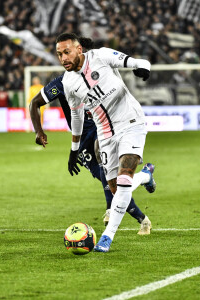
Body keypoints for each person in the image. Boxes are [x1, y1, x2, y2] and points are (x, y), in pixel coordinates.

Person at [29, 38, 152, 236]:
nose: (63, 58)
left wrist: (139, 66)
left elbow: (125, 63)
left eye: (67, 53)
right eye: (60, 54)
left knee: (109, 173)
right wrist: (41, 132)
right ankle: (142, 212)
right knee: (109, 182)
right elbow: (34, 103)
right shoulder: (63, 83)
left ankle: (111, 210)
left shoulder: (99, 63)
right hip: (82, 138)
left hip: (102, 128)